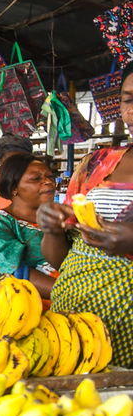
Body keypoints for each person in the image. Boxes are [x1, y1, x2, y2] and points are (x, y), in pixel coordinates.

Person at [40, 65, 133, 363]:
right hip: (71, 325)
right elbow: (62, 259)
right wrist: (52, 228)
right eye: (129, 99)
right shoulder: (96, 164)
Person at [0, 153, 65, 296]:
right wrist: (72, 293)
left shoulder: (59, 218)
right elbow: (12, 273)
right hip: (29, 302)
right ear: (14, 188)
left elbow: (65, 262)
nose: (48, 182)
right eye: (36, 179)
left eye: (50, 177)